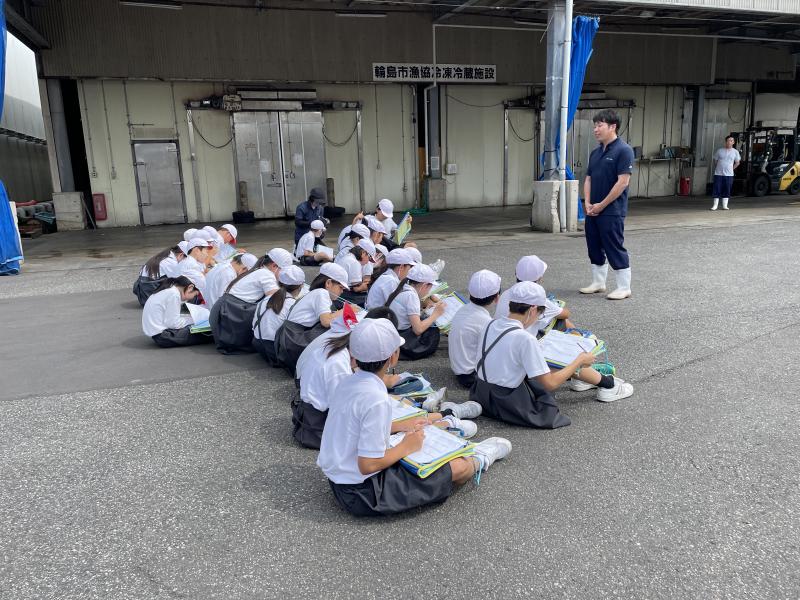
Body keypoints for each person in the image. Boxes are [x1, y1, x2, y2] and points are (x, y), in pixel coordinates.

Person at [317, 317, 512, 518]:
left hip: (342, 480)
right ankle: (478, 458)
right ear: (393, 357)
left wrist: (400, 425)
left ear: (353, 355)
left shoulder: (349, 382)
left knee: (415, 430)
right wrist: (406, 447)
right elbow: (368, 465)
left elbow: (358, 426)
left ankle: (448, 421)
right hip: (364, 492)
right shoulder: (375, 398)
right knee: (459, 468)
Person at [470, 282, 634, 429]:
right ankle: (606, 384)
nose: (538, 318)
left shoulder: (490, 324)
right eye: (540, 314)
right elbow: (550, 384)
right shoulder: (525, 338)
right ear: (532, 310)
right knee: (550, 385)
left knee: (543, 365)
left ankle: (596, 381)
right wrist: (579, 361)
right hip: (507, 402)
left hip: (480, 393)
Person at [580, 109, 635, 301]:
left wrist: (601, 205)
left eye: (599, 125)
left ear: (613, 127)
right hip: (593, 209)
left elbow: (623, 182)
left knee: (613, 246)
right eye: (595, 126)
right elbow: (588, 179)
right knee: (594, 245)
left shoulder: (624, 150)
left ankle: (624, 287)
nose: (595, 129)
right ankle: (598, 282)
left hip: (612, 210)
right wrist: (587, 203)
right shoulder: (595, 153)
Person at [210, 248, 293, 354]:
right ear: (274, 266)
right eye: (283, 271)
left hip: (225, 313)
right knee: (272, 307)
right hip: (231, 315)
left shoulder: (257, 270)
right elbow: (277, 298)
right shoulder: (266, 274)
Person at [273, 262, 348, 374]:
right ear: (328, 283)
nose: (342, 291)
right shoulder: (321, 293)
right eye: (341, 287)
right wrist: (346, 310)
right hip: (294, 341)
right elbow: (326, 321)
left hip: (289, 341)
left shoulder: (313, 292)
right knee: (339, 328)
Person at [449, 269, 502, 389]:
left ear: (470, 293)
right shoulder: (486, 322)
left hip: (459, 368)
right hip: (471, 375)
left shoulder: (463, 309)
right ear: (497, 298)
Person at [495, 255, 574, 335]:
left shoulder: (506, 293)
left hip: (500, 334)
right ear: (540, 278)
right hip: (522, 337)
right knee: (561, 321)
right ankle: (579, 338)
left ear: (516, 273)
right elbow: (566, 314)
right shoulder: (536, 298)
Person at [386, 263, 445, 360]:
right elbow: (418, 330)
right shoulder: (411, 296)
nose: (429, 292)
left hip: (393, 332)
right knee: (433, 328)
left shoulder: (403, 287)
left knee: (425, 318)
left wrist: (424, 311)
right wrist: (435, 314)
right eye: (430, 288)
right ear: (424, 285)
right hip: (402, 339)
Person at [252, 265, 306, 365]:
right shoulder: (293, 304)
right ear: (301, 286)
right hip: (276, 351)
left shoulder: (266, 298)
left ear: (278, 282)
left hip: (258, 344)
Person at [141, 276, 212, 348]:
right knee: (206, 334)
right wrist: (194, 320)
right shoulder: (174, 294)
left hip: (158, 334)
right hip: (164, 336)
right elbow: (173, 324)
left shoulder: (170, 289)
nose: (193, 298)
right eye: (195, 295)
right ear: (190, 287)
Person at [337, 239, 375, 306]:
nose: (367, 262)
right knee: (370, 299)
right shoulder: (354, 263)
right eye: (369, 258)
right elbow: (357, 288)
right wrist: (371, 285)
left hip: (338, 292)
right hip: (341, 295)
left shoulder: (348, 257)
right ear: (363, 253)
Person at [711, 136, 741, 211]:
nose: (729, 142)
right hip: (718, 173)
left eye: (731, 141)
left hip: (729, 174)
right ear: (726, 142)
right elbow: (715, 161)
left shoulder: (735, 152)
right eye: (728, 140)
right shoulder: (720, 151)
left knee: (727, 188)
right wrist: (720, 167)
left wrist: (731, 169)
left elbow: (737, 163)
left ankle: (725, 205)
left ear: (733, 142)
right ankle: (715, 205)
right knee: (717, 188)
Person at [178, 237, 213, 302]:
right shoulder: (192, 264)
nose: (207, 254)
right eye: (206, 251)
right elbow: (204, 285)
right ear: (196, 250)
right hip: (187, 301)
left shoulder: (187, 261)